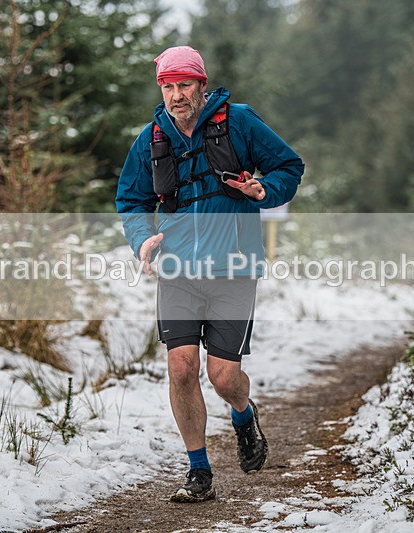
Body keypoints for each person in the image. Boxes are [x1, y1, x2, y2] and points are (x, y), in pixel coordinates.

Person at [116, 45, 303, 503]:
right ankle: (198, 471)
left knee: (222, 376)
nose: (177, 95)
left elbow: (289, 166)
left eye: (184, 85)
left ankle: (243, 414)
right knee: (181, 368)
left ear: (201, 85)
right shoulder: (152, 138)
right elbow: (132, 200)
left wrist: (264, 189)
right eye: (168, 86)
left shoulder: (237, 122)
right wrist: (142, 239)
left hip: (234, 269)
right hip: (177, 270)